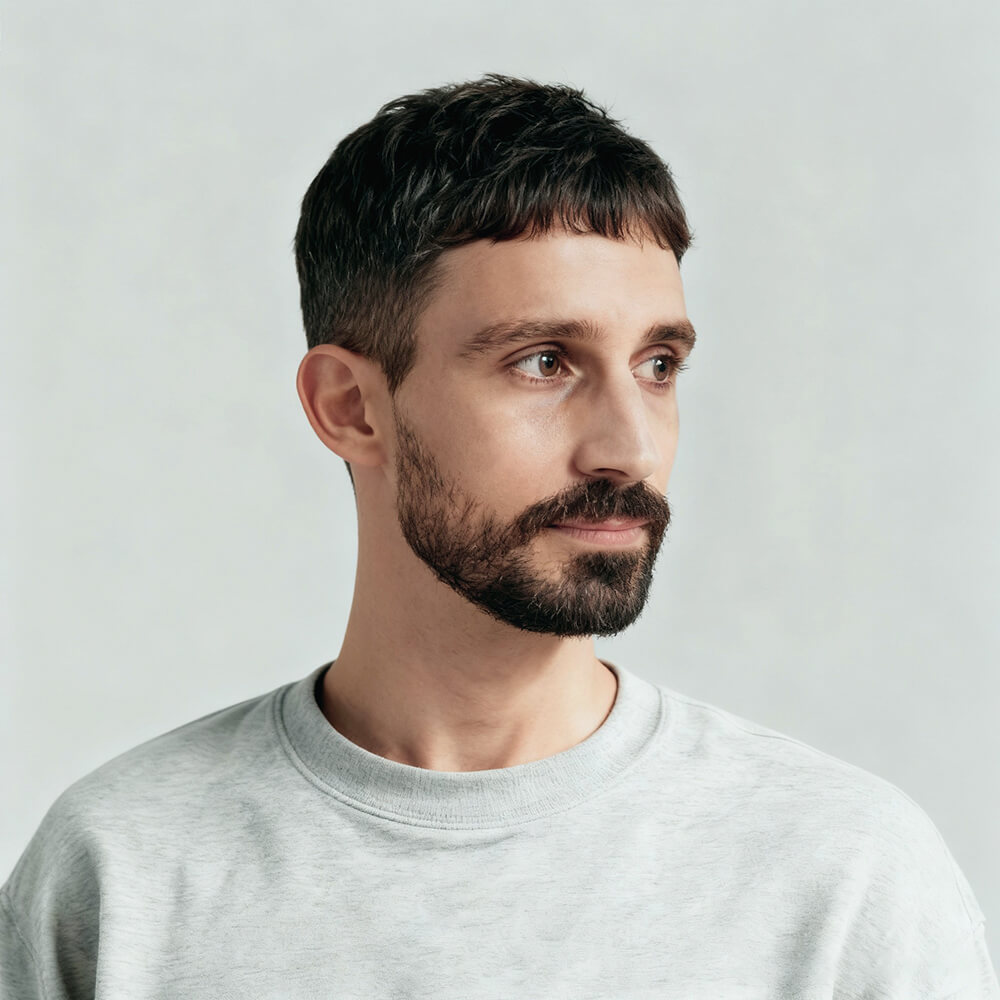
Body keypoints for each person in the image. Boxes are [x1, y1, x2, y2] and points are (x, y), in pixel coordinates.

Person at [2, 73, 997, 999]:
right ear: (351, 406)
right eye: (543, 362)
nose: (629, 445)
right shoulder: (119, 873)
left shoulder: (845, 882)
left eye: (657, 363)